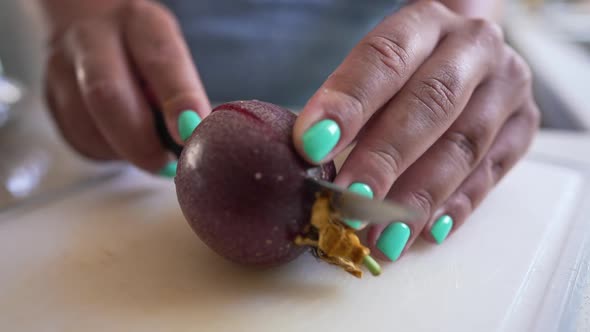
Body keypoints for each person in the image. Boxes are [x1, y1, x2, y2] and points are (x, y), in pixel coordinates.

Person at [36, 0, 540, 263]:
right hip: (131, 166)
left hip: (376, 143)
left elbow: (463, 25)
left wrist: (466, 69)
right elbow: (85, 25)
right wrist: (84, 62)